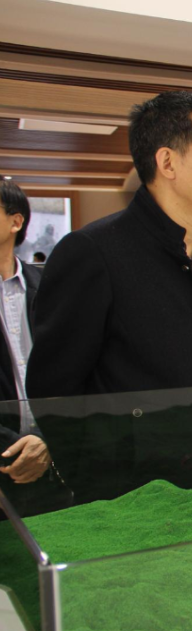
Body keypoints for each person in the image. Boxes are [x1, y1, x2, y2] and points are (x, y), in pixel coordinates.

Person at [25, 90, 192, 503]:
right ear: (168, 162)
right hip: (132, 493)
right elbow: (54, 390)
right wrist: (98, 483)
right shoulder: (93, 252)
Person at [0, 182, 68, 517]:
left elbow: (71, 370)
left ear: (16, 221)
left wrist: (46, 438)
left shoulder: (48, 287)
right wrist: (10, 446)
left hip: (54, 460)